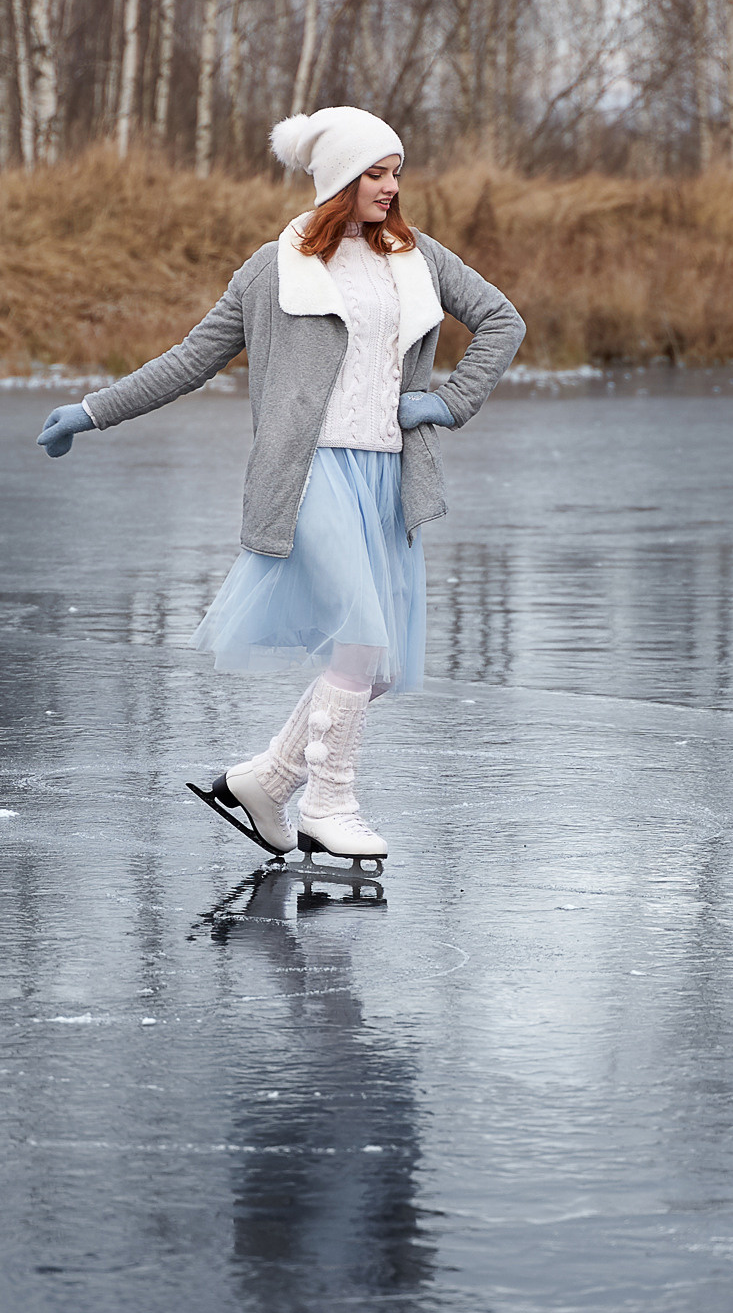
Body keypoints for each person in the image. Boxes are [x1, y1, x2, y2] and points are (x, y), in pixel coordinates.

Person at [35, 107, 524, 864]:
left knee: (379, 669)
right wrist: (92, 411)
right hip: (311, 473)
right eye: (375, 172)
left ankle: (267, 778)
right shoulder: (275, 267)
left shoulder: (418, 256)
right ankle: (331, 802)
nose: (392, 187)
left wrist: (450, 400)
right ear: (338, 180)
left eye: (396, 172)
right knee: (358, 639)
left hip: (387, 479)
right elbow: (192, 358)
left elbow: (503, 319)